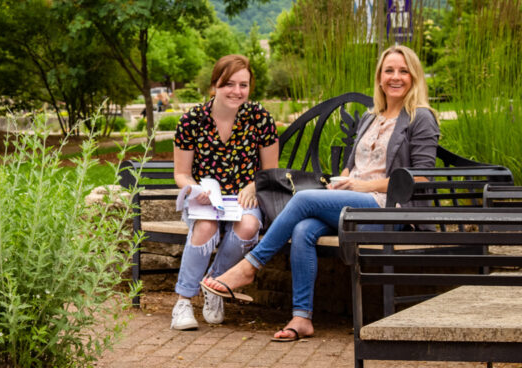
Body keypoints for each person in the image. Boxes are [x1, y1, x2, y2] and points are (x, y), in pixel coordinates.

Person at [202, 45, 440, 341]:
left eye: (403, 71)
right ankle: (302, 318)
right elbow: (356, 168)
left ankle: (250, 266)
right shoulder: (371, 117)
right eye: (389, 70)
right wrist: (343, 182)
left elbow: (420, 178)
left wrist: (363, 186)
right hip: (354, 203)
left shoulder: (420, 117)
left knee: (302, 199)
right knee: (303, 229)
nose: (396, 77)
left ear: (414, 76)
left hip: (388, 210)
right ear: (379, 77)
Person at [171, 54, 279, 330]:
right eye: (229, 84)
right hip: (206, 200)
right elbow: (181, 173)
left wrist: (254, 185)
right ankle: (183, 301)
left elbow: (270, 171)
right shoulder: (192, 120)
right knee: (206, 227)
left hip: (245, 197)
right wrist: (195, 188)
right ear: (214, 85)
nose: (236, 91)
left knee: (249, 224)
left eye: (243, 85)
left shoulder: (260, 118)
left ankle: (215, 286)